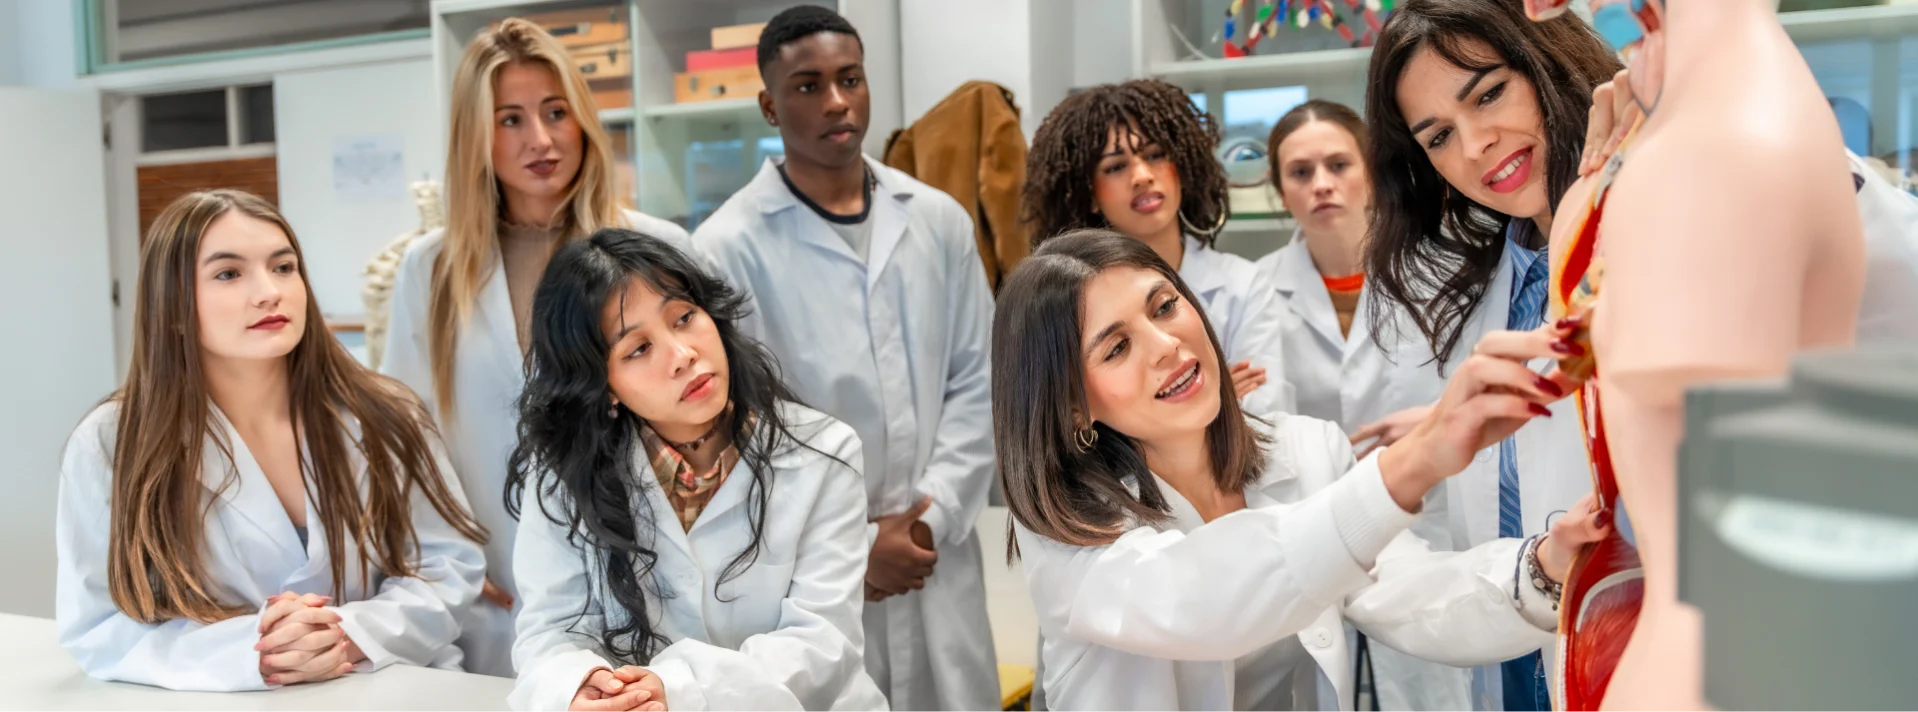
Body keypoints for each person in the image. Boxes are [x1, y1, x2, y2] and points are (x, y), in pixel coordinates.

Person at [994, 231, 1608, 712]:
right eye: (1117, 347)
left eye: (1165, 306)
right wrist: (1415, 461)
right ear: (1073, 403)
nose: (1166, 345)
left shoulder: (1305, 451)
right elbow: (1205, 601)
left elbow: (1406, 593)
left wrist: (1545, 565)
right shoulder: (1071, 531)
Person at [55, 190, 488, 691]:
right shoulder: (110, 442)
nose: (269, 291)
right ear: (172, 306)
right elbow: (99, 625)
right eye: (228, 274)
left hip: (394, 689)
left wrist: (347, 637)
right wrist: (257, 651)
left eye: (283, 267)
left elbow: (447, 565)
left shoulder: (387, 413)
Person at [691, 6, 999, 710]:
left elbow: (977, 380)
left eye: (850, 79)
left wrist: (929, 520)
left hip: (935, 555)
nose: (836, 101)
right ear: (769, 103)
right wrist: (857, 545)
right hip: (809, 571)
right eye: (807, 86)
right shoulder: (726, 247)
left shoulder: (937, 220)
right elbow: (739, 424)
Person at [381, 17, 691, 677]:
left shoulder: (661, 250)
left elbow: (715, 411)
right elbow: (405, 437)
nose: (542, 139)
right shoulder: (430, 269)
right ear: (475, 135)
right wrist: (445, 559)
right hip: (492, 583)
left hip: (653, 571)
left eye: (556, 112)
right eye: (510, 120)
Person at [505, 230, 885, 712]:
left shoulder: (824, 452)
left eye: (684, 318)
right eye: (637, 349)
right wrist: (580, 686)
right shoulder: (562, 474)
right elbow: (551, 630)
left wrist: (680, 691)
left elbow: (822, 642)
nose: (683, 354)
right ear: (605, 387)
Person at [1364, 1, 1622, 708]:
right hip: (1520, 657)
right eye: (1439, 135)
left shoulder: (1646, 223)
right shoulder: (1497, 270)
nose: (1475, 145)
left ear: (1550, 60)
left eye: (1489, 93)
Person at [1254, 99, 1474, 712]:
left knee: (1436, 690)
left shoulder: (1440, 272)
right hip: (1316, 537)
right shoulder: (1257, 292)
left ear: (1371, 170)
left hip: (1429, 529)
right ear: (1280, 189)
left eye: (1337, 164)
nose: (1321, 184)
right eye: (1300, 172)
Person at [1023, 79, 1295, 417]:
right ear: (1089, 194)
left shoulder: (1243, 284)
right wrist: (1218, 392)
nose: (1141, 175)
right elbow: (1076, 430)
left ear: (1183, 167)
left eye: (1154, 156)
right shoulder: (1069, 303)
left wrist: (1145, 412)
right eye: (1116, 167)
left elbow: (1265, 418)